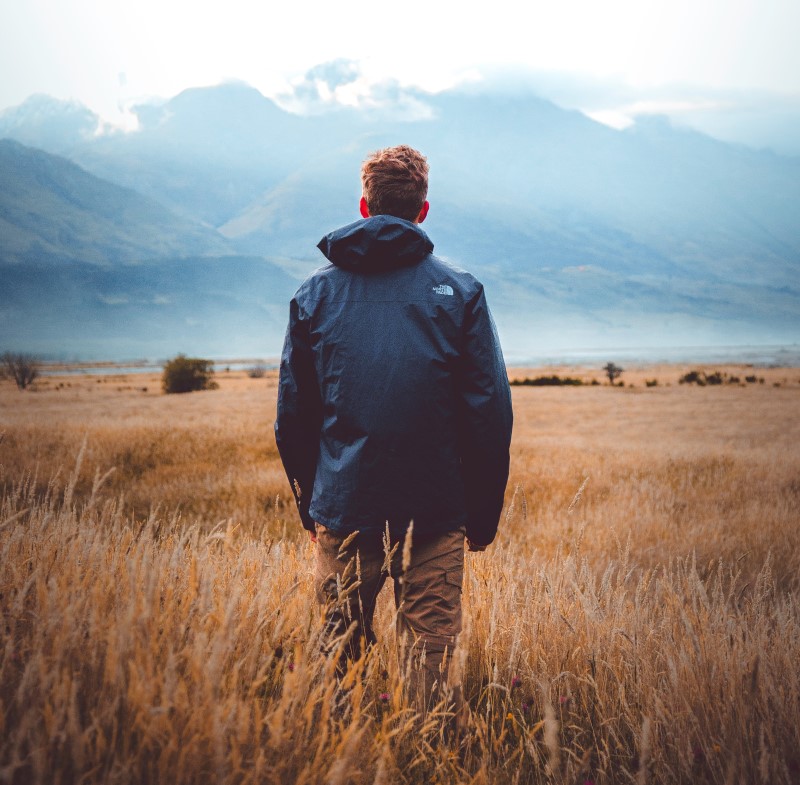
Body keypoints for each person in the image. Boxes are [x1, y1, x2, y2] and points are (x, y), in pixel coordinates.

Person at [275, 144, 512, 712]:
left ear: (364, 206)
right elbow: (491, 414)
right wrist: (480, 516)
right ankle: (425, 761)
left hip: (344, 508)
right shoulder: (460, 293)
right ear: (423, 211)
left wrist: (312, 506)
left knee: (339, 657)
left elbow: (293, 419)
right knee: (430, 663)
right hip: (436, 512)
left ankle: (343, 760)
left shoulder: (314, 295)